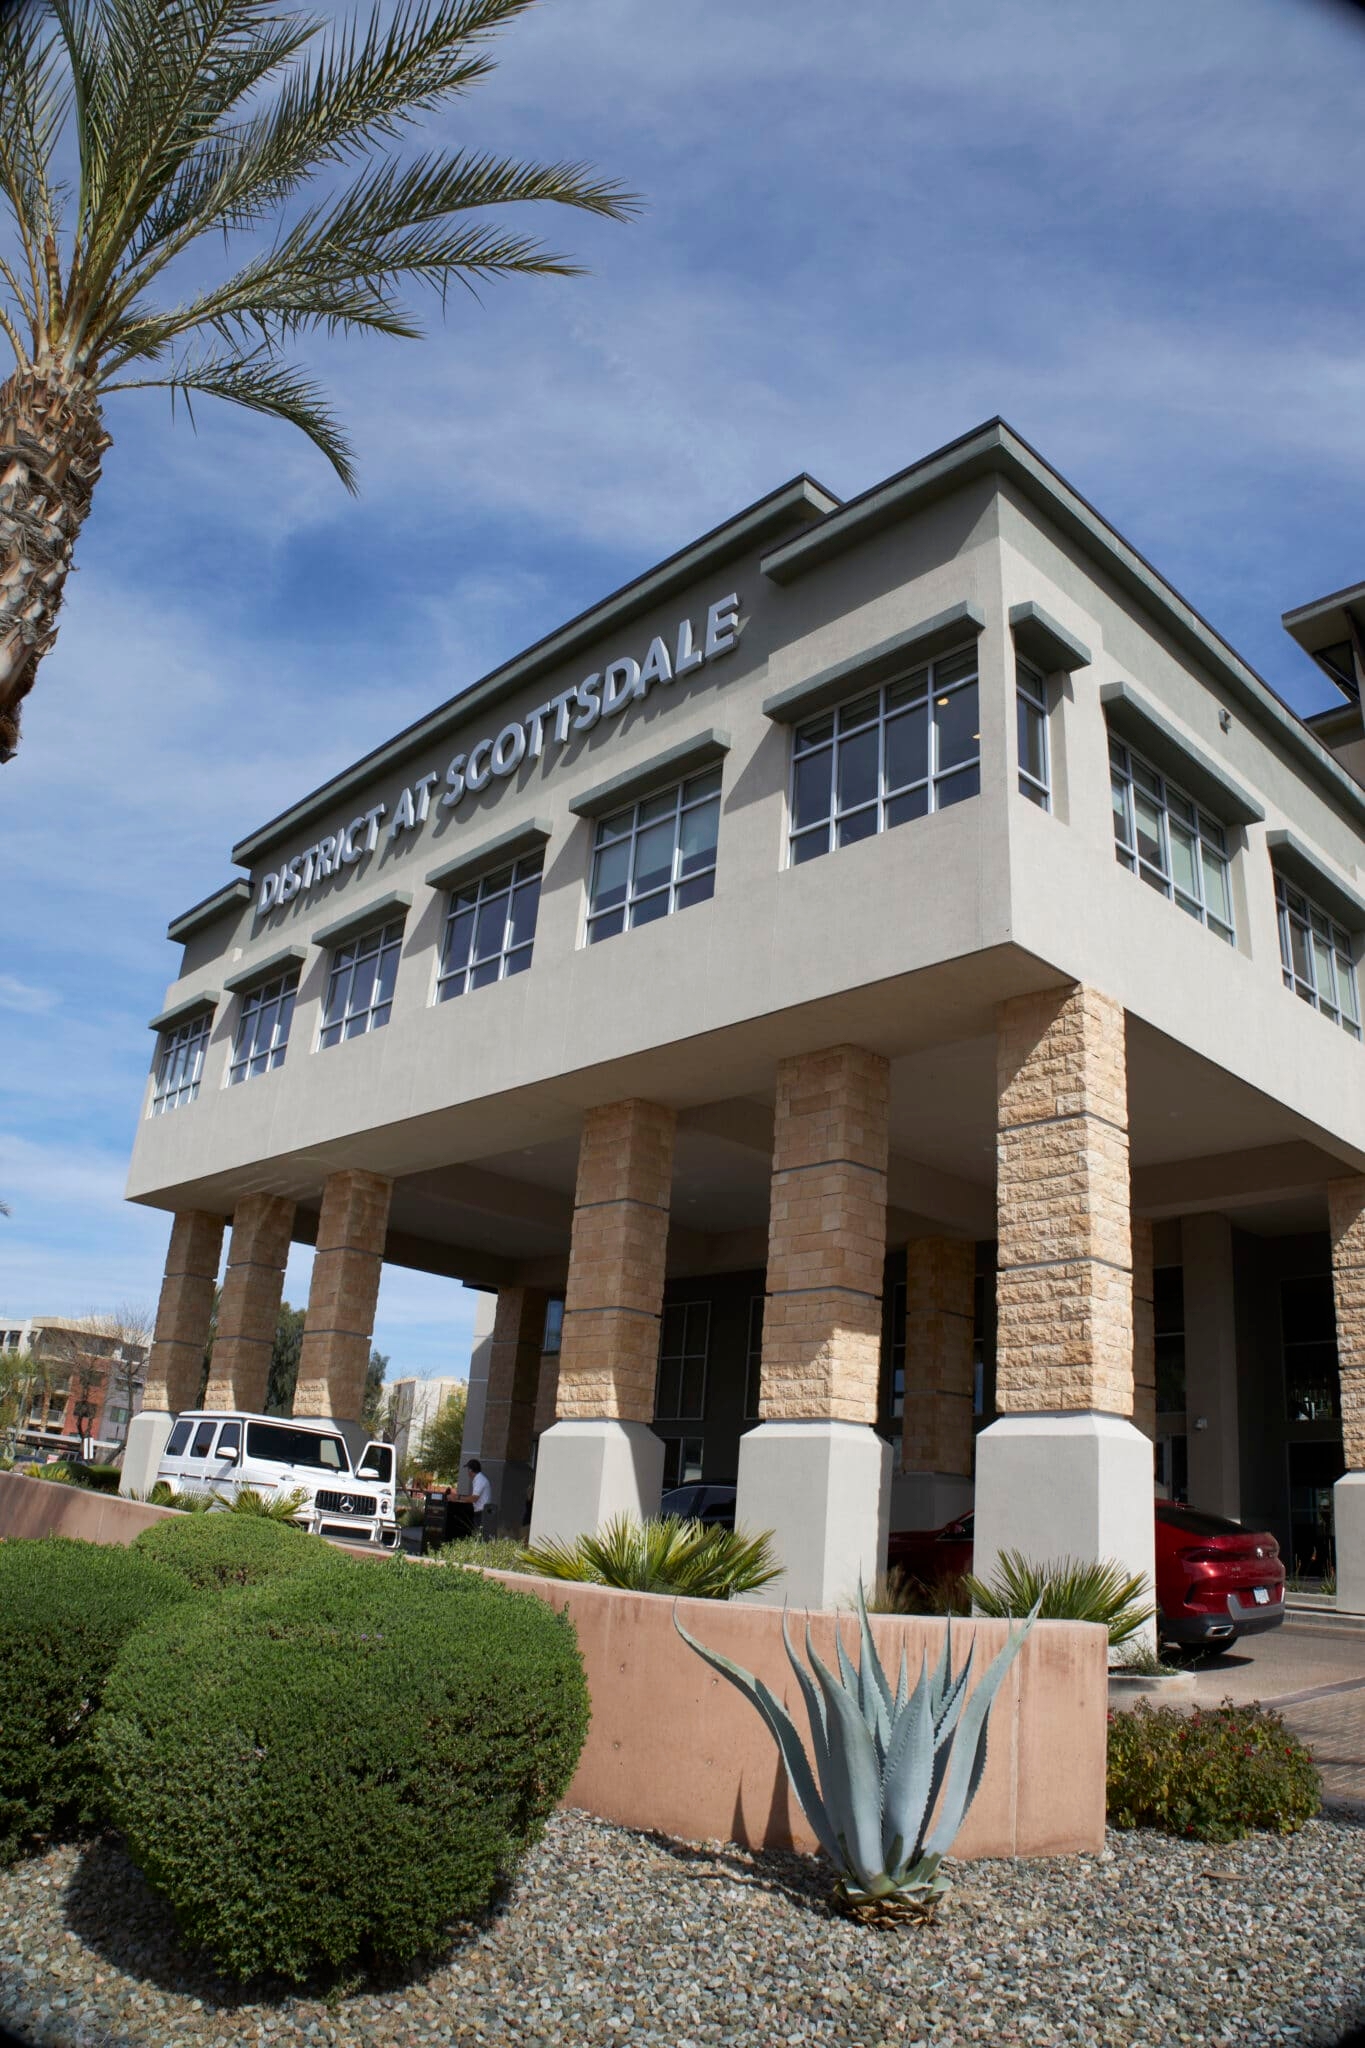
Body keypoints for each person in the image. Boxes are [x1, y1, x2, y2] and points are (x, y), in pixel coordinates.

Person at [460, 1457, 492, 1536]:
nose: (467, 1472)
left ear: (470, 1470)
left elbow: (474, 1498)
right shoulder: (479, 1479)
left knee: (478, 1536)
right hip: (482, 1512)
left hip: (482, 1513)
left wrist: (458, 1498)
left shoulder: (479, 1480)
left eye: (468, 1469)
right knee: (478, 1535)